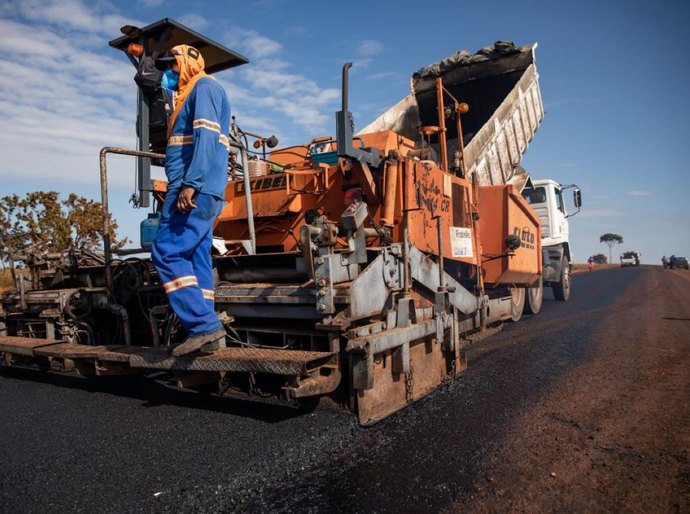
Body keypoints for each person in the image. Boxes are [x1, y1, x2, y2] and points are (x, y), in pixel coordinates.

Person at [151, 45, 231, 357]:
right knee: (196, 256)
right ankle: (206, 331)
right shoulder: (190, 94)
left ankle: (204, 327)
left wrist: (190, 185)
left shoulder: (204, 87)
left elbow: (207, 138)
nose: (170, 73)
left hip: (192, 187)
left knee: (167, 252)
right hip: (204, 188)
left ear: (187, 62)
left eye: (173, 66)